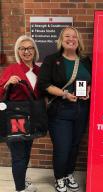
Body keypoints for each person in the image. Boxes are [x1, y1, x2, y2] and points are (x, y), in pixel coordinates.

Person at [38, 26, 91, 192]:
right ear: (61, 40)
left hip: (81, 110)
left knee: (75, 145)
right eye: (67, 36)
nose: (71, 39)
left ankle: (69, 174)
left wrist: (88, 91)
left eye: (74, 36)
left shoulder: (85, 60)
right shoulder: (52, 60)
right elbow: (43, 84)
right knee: (63, 146)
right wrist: (64, 94)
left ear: (78, 40)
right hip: (60, 110)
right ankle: (59, 178)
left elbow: (90, 81)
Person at [0, 35, 40, 192]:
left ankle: (22, 182)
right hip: (14, 119)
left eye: (30, 48)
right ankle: (20, 189)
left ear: (34, 51)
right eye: (22, 48)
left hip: (32, 119)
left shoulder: (38, 70)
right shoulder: (12, 69)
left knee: (26, 152)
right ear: (18, 51)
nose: (26, 51)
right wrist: (8, 83)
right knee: (18, 155)